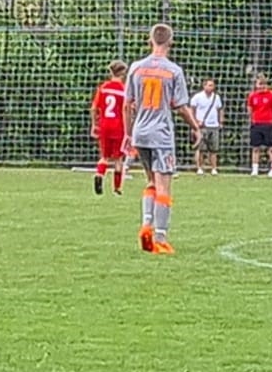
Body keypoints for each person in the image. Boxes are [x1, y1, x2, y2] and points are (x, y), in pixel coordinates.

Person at [121, 23, 200, 255]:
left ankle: (147, 224)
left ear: (150, 41)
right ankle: (160, 238)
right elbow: (181, 107)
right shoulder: (173, 71)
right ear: (170, 43)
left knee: (151, 182)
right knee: (164, 186)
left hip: (140, 133)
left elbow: (127, 104)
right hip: (161, 134)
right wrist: (195, 127)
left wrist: (128, 133)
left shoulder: (136, 67)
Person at [90, 60, 129, 196]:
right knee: (118, 158)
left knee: (104, 156)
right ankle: (117, 188)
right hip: (119, 126)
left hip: (105, 125)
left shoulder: (104, 87)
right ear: (123, 73)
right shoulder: (124, 90)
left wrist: (94, 124)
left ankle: (99, 174)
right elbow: (127, 109)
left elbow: (94, 108)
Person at [247, 74, 272, 177]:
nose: (261, 86)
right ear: (256, 85)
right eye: (260, 84)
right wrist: (253, 119)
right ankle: (255, 170)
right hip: (256, 124)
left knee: (271, 147)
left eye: (263, 84)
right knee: (255, 148)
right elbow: (250, 109)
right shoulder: (252, 96)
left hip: (268, 124)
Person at [192, 78, 224, 176]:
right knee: (201, 148)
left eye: (212, 85)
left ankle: (214, 168)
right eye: (209, 85)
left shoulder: (216, 97)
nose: (211, 87)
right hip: (202, 126)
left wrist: (220, 121)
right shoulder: (197, 97)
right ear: (204, 86)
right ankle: (199, 167)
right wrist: (195, 122)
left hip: (213, 125)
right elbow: (192, 110)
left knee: (213, 149)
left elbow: (220, 109)